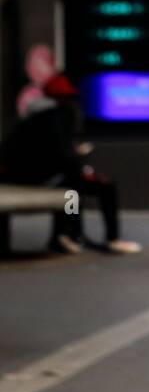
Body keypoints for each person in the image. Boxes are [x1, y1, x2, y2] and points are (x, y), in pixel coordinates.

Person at [0, 73, 141, 255]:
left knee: (72, 187)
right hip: (36, 177)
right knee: (82, 189)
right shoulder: (58, 115)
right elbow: (60, 154)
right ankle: (102, 237)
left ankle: (67, 234)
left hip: (21, 175)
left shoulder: (33, 114)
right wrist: (80, 167)